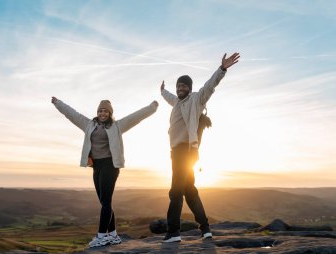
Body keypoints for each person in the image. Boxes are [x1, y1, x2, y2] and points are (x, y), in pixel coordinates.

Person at [51, 97, 158, 248]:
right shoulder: (89, 124)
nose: (102, 113)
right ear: (97, 112)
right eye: (100, 110)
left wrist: (152, 107)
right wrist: (57, 103)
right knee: (104, 201)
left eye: (105, 111)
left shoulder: (117, 126)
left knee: (106, 201)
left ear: (110, 113)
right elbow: (72, 114)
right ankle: (113, 235)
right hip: (97, 166)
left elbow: (136, 117)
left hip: (111, 165)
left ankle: (101, 236)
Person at [160, 53, 240, 242]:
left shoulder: (196, 100)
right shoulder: (177, 102)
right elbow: (169, 97)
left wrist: (222, 69)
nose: (181, 88)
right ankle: (205, 229)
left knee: (176, 191)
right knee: (190, 191)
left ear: (190, 88)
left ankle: (173, 232)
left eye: (185, 86)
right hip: (179, 152)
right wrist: (162, 91)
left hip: (185, 151)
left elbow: (210, 87)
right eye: (179, 85)